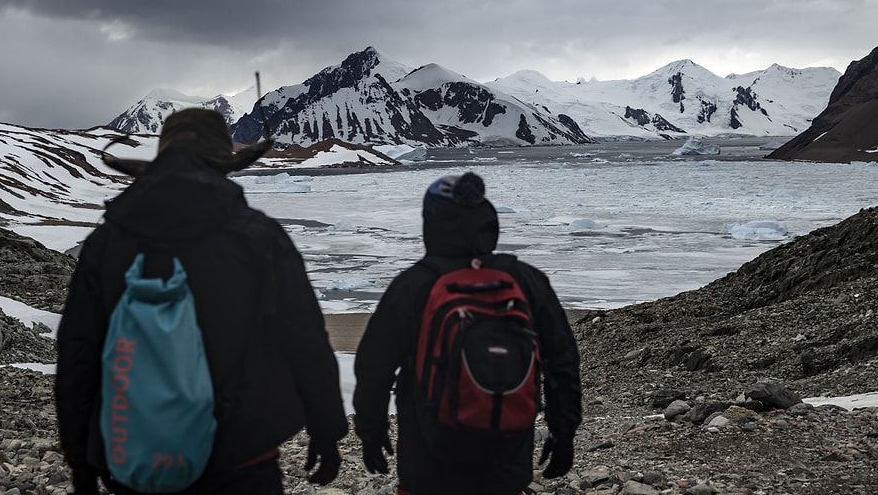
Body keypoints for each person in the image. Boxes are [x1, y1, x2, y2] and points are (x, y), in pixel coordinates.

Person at [55, 108, 348, 494]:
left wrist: (81, 456)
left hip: (139, 449)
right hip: (241, 456)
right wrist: (326, 427)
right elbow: (305, 338)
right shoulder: (258, 237)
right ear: (222, 161)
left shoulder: (107, 241)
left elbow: (79, 348)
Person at [353, 172, 582, 495]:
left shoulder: (413, 285)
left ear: (432, 224)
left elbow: (374, 368)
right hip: (507, 459)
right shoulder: (526, 280)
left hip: (429, 460)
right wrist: (563, 432)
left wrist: (371, 431)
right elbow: (562, 361)